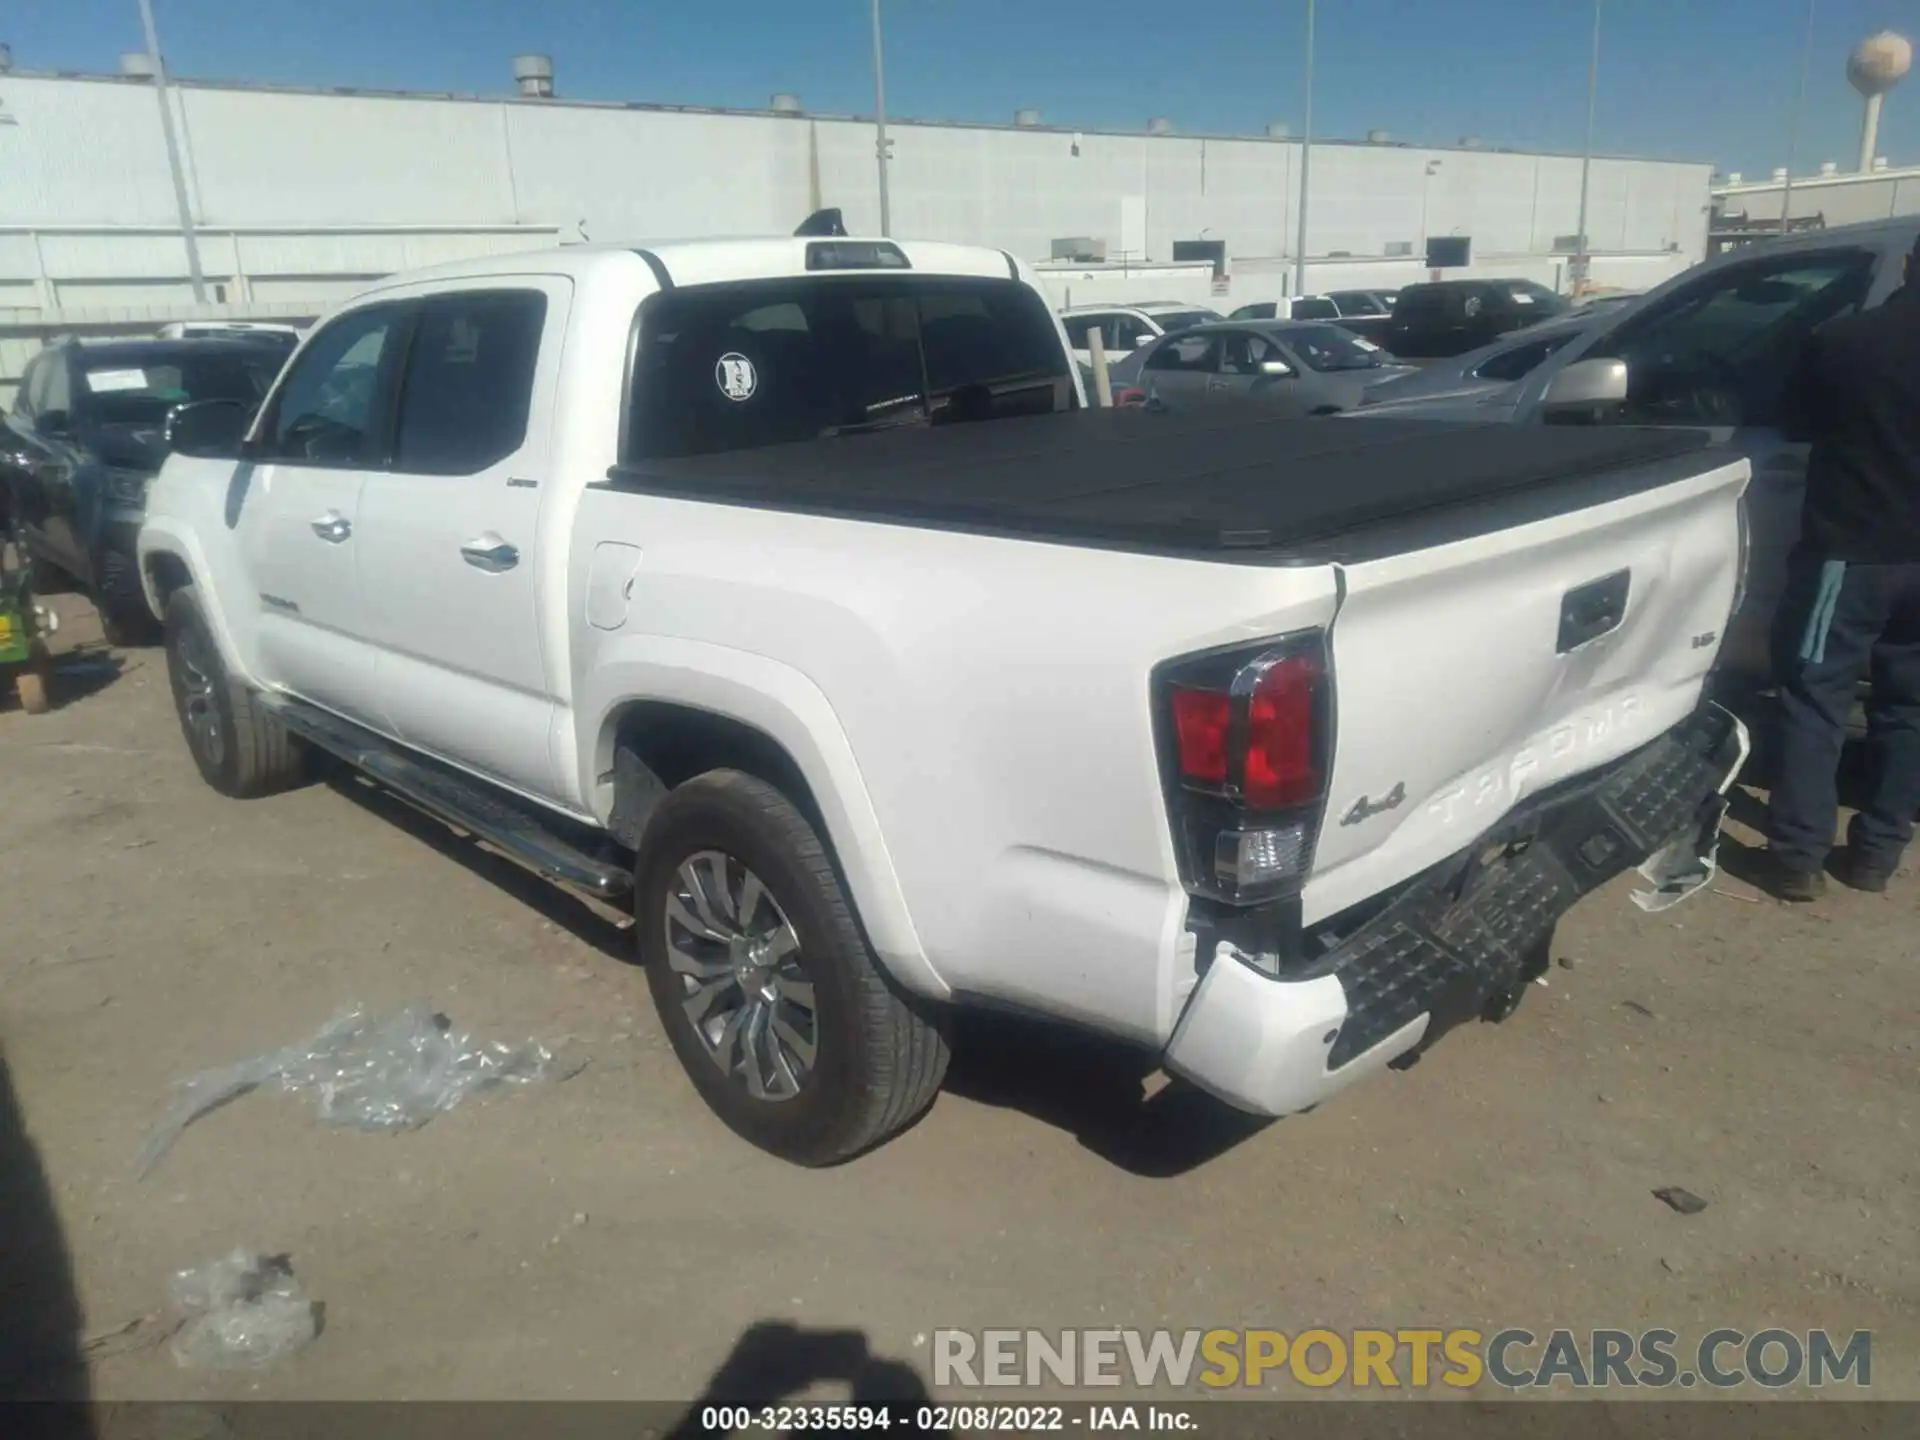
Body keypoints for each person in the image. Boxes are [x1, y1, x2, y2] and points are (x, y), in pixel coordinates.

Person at [1764, 231, 1920, 901]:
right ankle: (1877, 855)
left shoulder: (1844, 343)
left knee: (1814, 697)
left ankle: (1798, 856)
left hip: (1851, 556)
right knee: (1909, 707)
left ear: (1910, 266)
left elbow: (1794, 424)